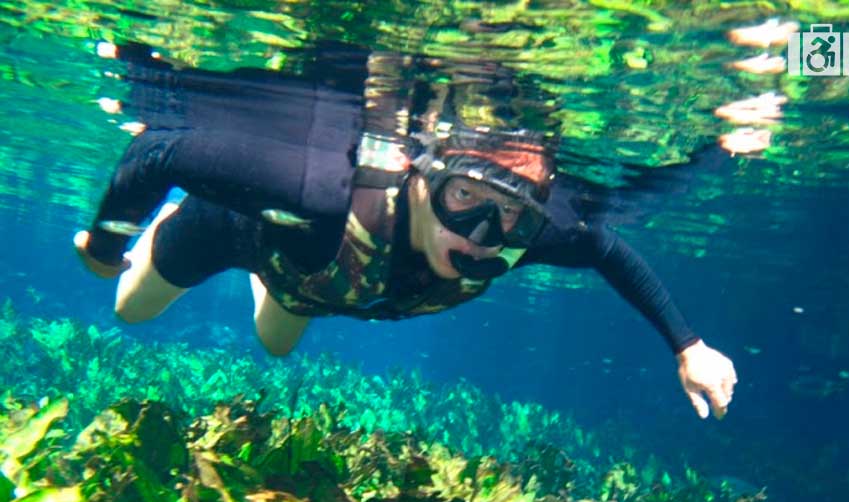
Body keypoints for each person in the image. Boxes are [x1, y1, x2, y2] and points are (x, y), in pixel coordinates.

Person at [75, 45, 737, 420]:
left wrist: (690, 346)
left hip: (307, 277)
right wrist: (108, 246)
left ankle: (277, 281)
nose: (483, 233)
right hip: (233, 230)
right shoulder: (323, 189)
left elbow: (607, 247)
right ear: (420, 177)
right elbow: (163, 151)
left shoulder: (532, 233)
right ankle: (204, 240)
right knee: (129, 310)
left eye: (508, 214)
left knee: (277, 345)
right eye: (464, 198)